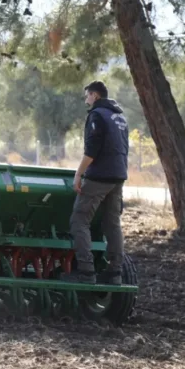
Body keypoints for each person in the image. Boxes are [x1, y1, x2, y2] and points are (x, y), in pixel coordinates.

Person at [62, 81, 128, 285]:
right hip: (118, 176)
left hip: (99, 176)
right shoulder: (120, 117)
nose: (86, 100)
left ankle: (86, 271)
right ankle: (115, 272)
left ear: (95, 96)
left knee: (79, 220)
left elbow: (92, 150)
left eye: (87, 96)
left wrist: (78, 174)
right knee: (112, 223)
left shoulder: (97, 115)